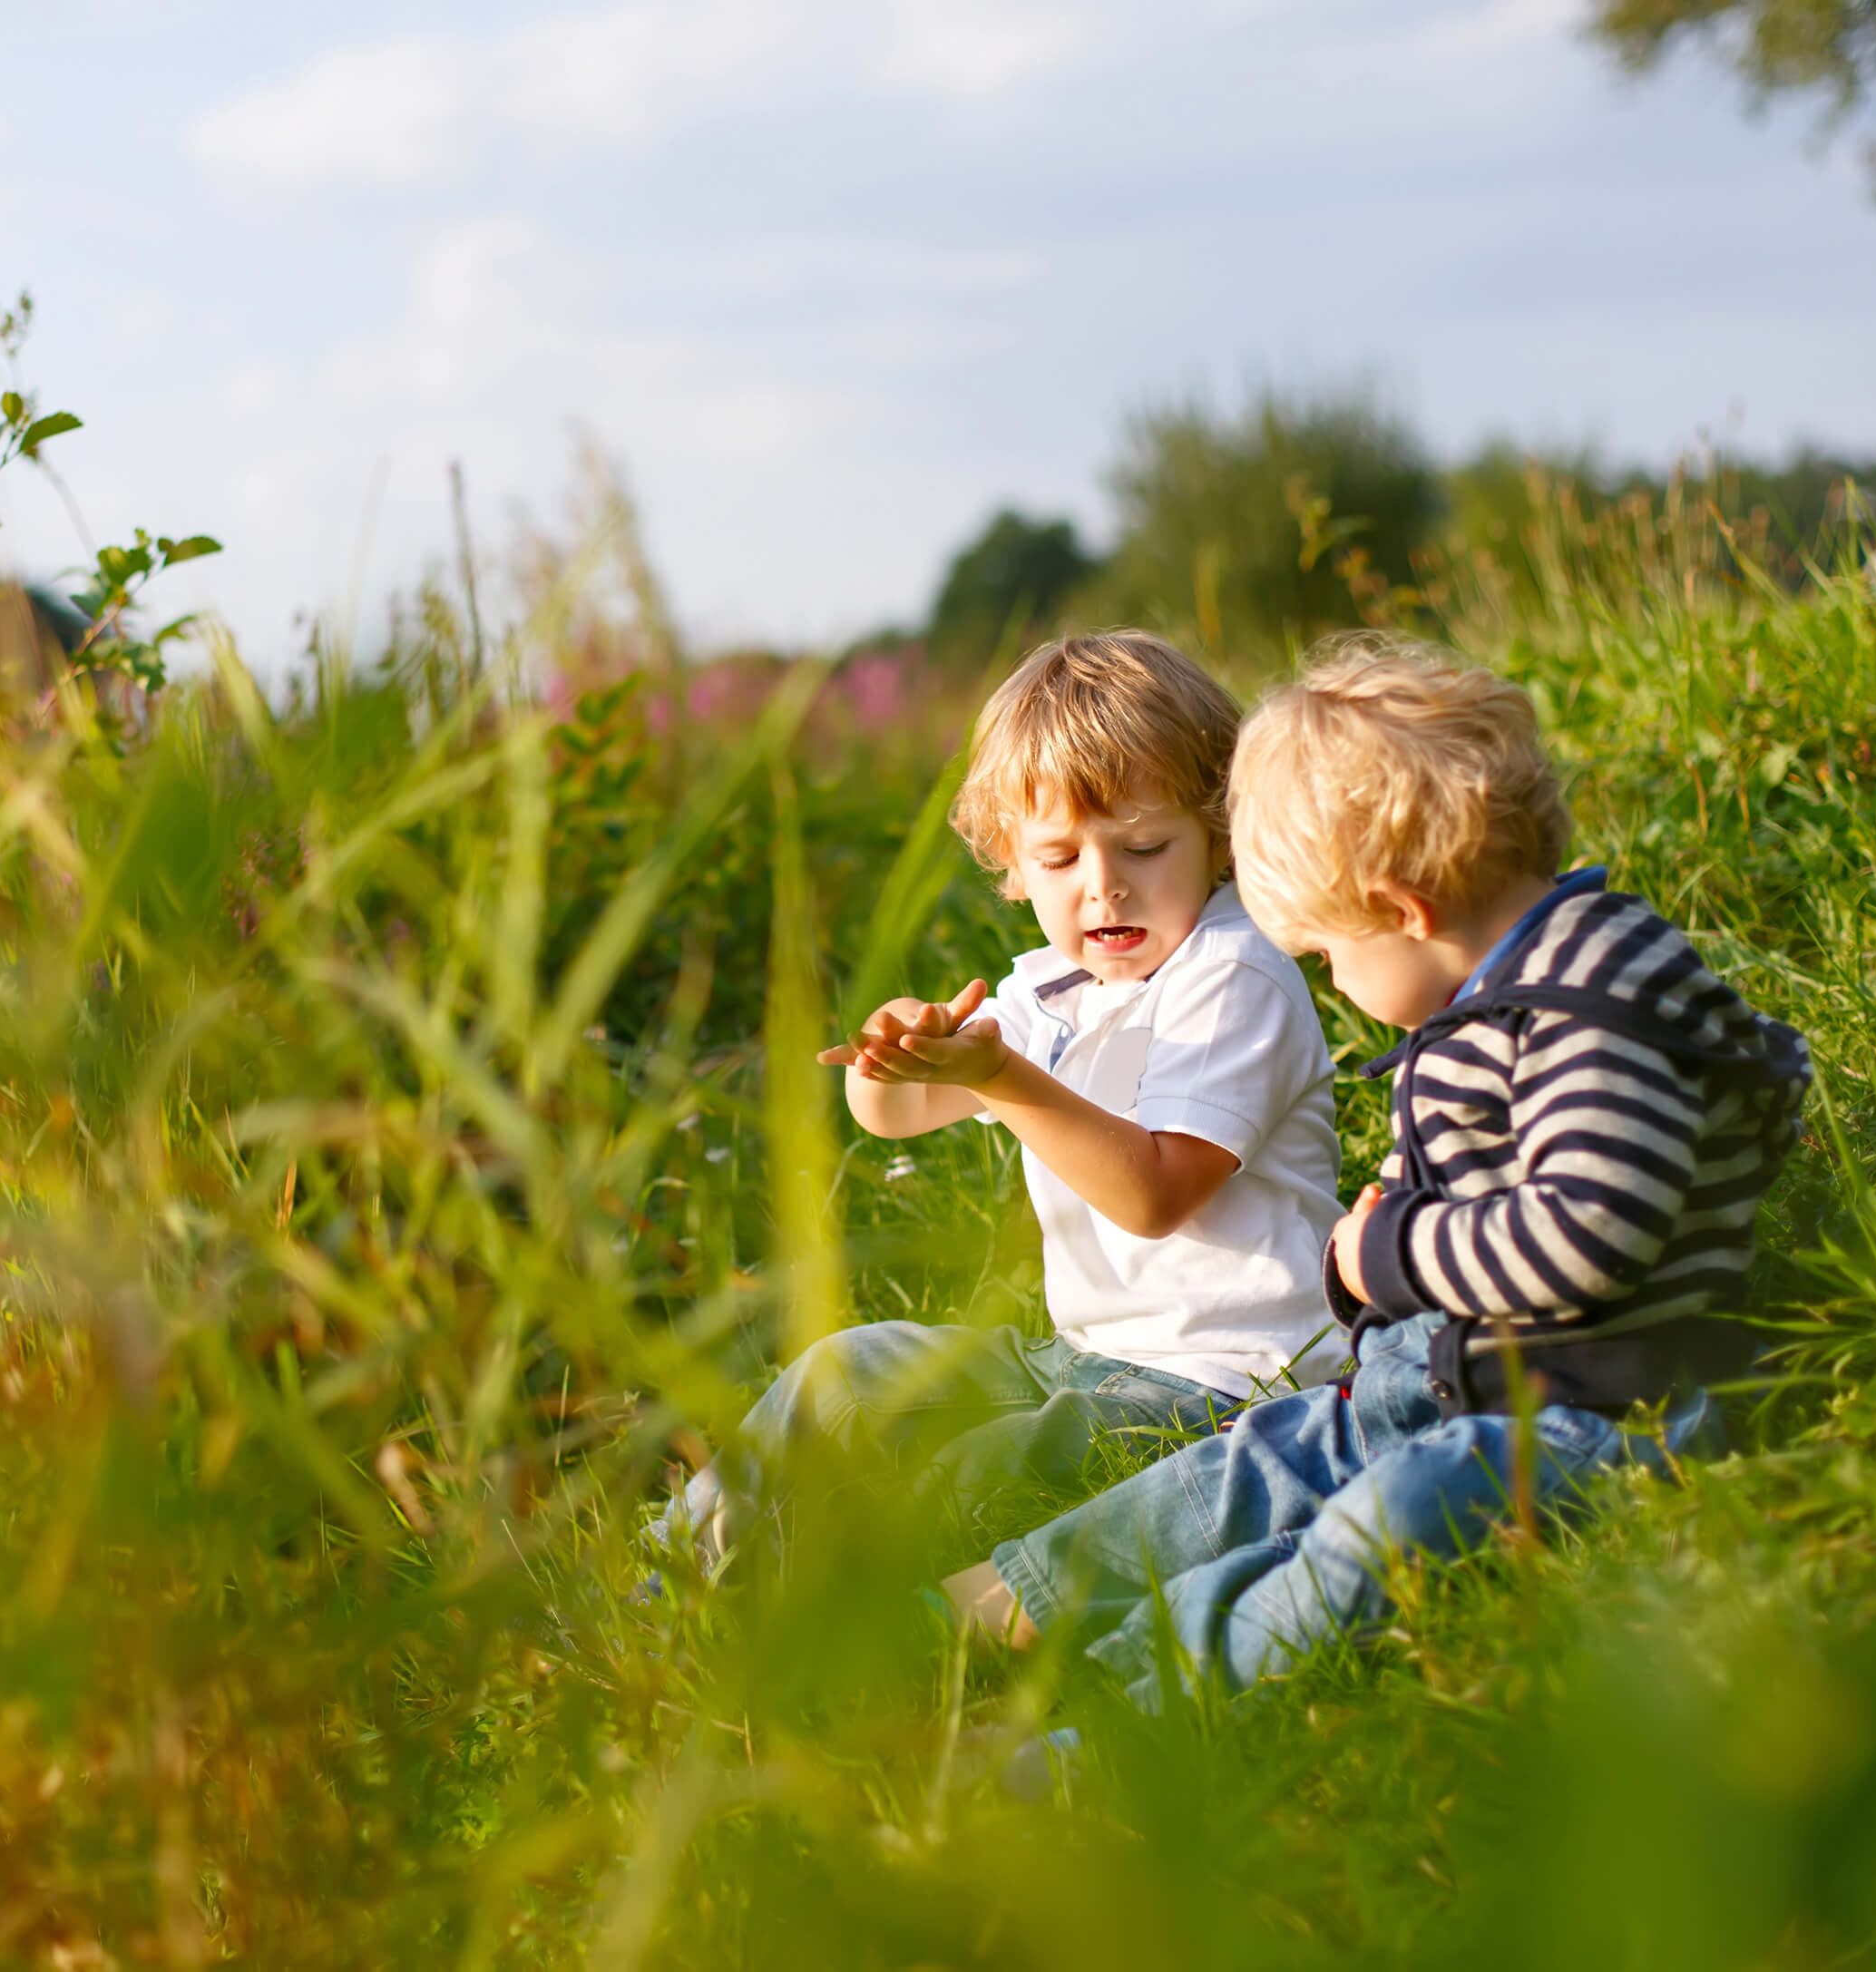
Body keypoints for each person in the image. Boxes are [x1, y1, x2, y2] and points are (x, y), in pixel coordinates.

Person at [936, 635, 1812, 1707]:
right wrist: (1384, 1250)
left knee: (1373, 1529)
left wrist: (1391, 1249)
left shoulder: (1592, 1003)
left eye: (1330, 956)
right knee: (1249, 1463)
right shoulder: (1493, 998)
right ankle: (1005, 1604)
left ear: (1404, 911)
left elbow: (1587, 1230)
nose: (1333, 983)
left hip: (1594, 1408)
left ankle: (1125, 1708)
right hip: (1440, 1370)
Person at [656, 631, 1343, 1562]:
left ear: (1218, 834)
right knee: (842, 1374)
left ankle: (834, 1609)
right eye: (1059, 858)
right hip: (1087, 1360)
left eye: (1143, 844)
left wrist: (996, 1078)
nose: (1104, 886)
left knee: (975, 1471)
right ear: (1011, 866)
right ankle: (669, 1575)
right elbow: (894, 1116)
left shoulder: (1232, 973)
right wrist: (898, 1060)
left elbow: (1154, 1193)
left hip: (1234, 1384)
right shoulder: (1052, 985)